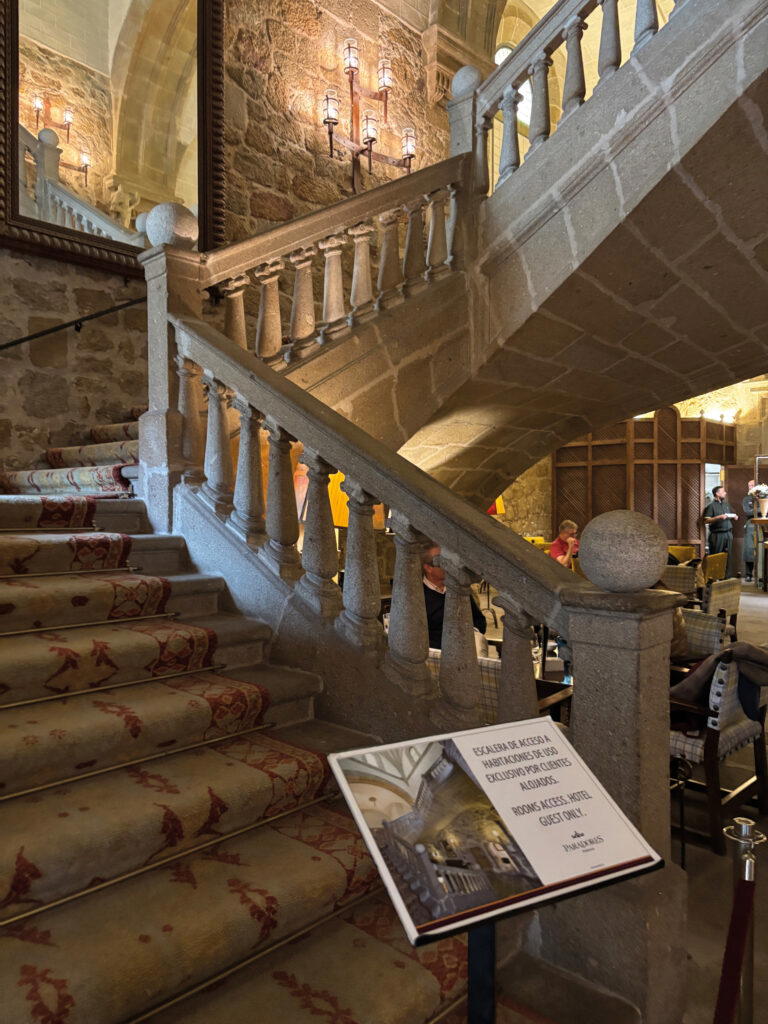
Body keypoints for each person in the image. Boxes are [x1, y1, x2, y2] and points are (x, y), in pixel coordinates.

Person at [421, 543, 487, 651]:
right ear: (428, 568)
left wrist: (471, 634)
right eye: (442, 561)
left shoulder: (459, 589)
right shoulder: (418, 595)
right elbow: (418, 635)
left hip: (466, 649)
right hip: (436, 655)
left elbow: (479, 621)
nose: (449, 565)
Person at [703, 484, 738, 558]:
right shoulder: (711, 506)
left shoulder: (726, 504)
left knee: (728, 556)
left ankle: (727, 570)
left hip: (728, 534)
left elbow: (731, 514)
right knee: (716, 557)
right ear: (717, 494)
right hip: (717, 535)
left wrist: (735, 516)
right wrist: (719, 517)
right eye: (723, 491)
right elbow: (706, 520)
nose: (725, 493)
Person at [743, 480, 758, 582]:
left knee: (763, 549)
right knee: (749, 549)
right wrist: (761, 511)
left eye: (752, 485)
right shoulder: (746, 499)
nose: (750, 487)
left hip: (764, 525)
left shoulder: (764, 497)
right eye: (749, 485)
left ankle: (762, 575)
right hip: (751, 525)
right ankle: (749, 574)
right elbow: (747, 512)